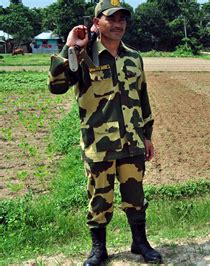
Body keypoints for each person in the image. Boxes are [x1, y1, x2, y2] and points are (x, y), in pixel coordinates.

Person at [48, 0, 162, 265]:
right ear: (96, 22)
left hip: (132, 141)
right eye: (112, 18)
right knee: (100, 198)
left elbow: (142, 97)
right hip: (99, 144)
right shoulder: (83, 55)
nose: (119, 23)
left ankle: (140, 243)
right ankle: (99, 250)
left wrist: (147, 135)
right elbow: (56, 86)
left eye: (123, 18)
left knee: (135, 196)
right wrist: (70, 47)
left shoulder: (134, 57)